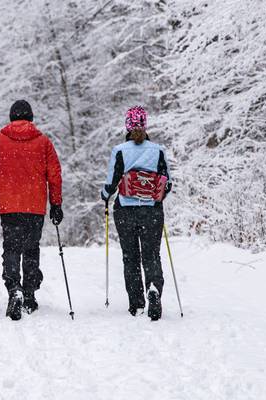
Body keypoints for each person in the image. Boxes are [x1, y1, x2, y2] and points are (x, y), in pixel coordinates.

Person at [0, 100, 63, 321]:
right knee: (31, 248)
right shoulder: (43, 142)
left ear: (11, 117)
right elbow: (54, 176)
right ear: (31, 118)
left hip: (10, 206)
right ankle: (29, 294)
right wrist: (56, 204)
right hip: (35, 207)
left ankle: (13, 288)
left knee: (12, 248)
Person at [100, 106, 172, 320]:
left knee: (130, 257)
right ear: (145, 124)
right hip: (152, 212)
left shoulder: (120, 150)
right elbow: (167, 183)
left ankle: (137, 303)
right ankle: (154, 288)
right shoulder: (158, 150)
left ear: (127, 126)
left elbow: (111, 183)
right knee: (151, 254)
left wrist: (104, 196)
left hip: (125, 211)